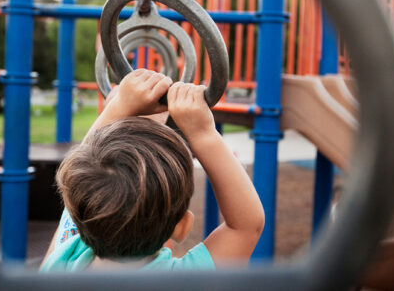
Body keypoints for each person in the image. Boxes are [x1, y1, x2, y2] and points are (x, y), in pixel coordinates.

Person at [40, 69, 264, 271]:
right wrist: (204, 134)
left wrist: (118, 108)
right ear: (181, 227)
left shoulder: (62, 265)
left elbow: (79, 181)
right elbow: (246, 226)